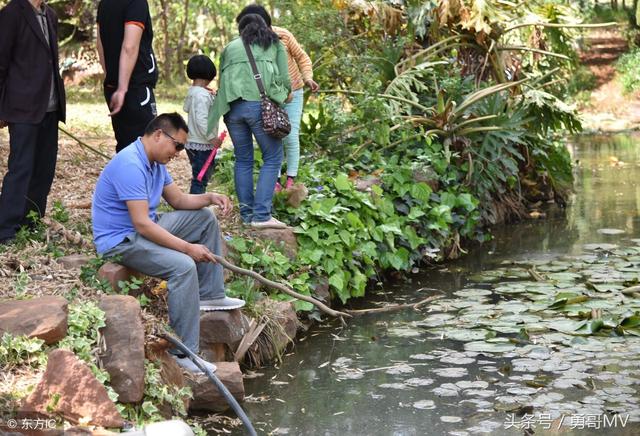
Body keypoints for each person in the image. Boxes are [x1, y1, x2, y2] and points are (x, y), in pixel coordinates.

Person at [91, 113, 245, 374]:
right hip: (121, 240)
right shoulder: (130, 163)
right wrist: (187, 248)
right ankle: (184, 353)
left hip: (144, 228)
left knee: (204, 218)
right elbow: (141, 224)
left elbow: (179, 201)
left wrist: (210, 197)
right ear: (159, 135)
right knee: (183, 266)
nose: (179, 153)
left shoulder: (156, 163)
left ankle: (210, 295)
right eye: (178, 146)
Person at [208, 13, 291, 229]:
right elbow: (284, 81)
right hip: (258, 107)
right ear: (264, 26)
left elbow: (222, 82)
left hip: (231, 110)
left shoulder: (229, 48)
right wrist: (282, 96)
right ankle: (261, 216)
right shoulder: (274, 44)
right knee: (273, 156)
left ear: (241, 29)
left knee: (243, 159)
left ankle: (246, 215)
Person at [0, 0, 66, 244]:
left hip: (50, 106)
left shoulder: (50, 15)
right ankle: (6, 228)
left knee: (44, 169)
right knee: (21, 168)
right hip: (22, 107)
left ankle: (31, 221)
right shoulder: (11, 14)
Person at [236, 4, 319, 191]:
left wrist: (308, 78)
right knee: (271, 135)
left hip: (294, 92)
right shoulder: (246, 43)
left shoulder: (283, 36)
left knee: (290, 135)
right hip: (267, 97)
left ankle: (290, 179)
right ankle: (274, 180)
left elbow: (303, 58)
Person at [96, 0, 158, 153]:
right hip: (135, 88)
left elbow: (100, 44)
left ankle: (125, 176)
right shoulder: (136, 2)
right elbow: (130, 46)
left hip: (113, 86)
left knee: (125, 146)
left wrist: (112, 78)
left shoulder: (104, 4)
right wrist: (123, 88)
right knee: (145, 147)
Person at [183, 55, 222, 194]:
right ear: (208, 75)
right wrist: (212, 137)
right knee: (201, 178)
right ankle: (195, 206)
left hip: (192, 142)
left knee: (198, 175)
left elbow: (186, 108)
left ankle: (196, 203)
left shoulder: (193, 92)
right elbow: (202, 120)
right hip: (202, 144)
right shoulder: (202, 95)